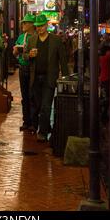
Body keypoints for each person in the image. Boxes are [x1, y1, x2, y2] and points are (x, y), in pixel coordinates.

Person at [24, 13, 69, 142]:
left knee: (46, 106)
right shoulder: (32, 39)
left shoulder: (56, 40)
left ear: (46, 25)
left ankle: (42, 132)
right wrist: (29, 55)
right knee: (38, 106)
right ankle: (45, 126)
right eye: (37, 26)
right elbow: (24, 56)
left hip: (49, 78)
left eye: (42, 26)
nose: (39, 28)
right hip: (35, 79)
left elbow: (63, 61)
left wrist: (65, 78)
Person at [13, 13, 36, 131]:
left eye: (25, 22)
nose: (23, 24)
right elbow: (15, 53)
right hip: (23, 68)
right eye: (23, 22)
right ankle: (26, 121)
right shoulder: (21, 37)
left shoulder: (37, 37)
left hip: (33, 70)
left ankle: (33, 122)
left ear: (32, 24)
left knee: (32, 96)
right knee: (24, 96)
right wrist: (16, 51)